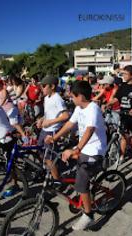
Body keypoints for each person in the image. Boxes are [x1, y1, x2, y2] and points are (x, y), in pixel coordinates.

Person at [45, 80, 107, 231]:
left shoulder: (93, 109)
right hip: (84, 148)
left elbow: (89, 130)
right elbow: (69, 124)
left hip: (94, 152)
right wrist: (55, 137)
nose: (71, 99)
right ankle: (84, 193)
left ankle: (88, 215)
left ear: (80, 96)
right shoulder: (79, 108)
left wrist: (76, 149)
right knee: (67, 163)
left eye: (72, 96)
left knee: (81, 183)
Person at [109, 65, 132, 167]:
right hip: (124, 115)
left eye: (125, 74)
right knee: (123, 137)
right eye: (122, 74)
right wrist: (107, 104)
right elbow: (116, 99)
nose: (123, 76)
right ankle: (121, 156)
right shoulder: (122, 86)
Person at [36, 75, 69, 180]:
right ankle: (49, 171)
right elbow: (48, 113)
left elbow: (65, 116)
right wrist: (42, 119)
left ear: (52, 86)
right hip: (44, 130)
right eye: (41, 86)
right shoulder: (47, 98)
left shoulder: (58, 99)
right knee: (40, 151)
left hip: (52, 131)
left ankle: (56, 181)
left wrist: (50, 122)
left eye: (44, 86)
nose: (42, 88)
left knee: (49, 158)